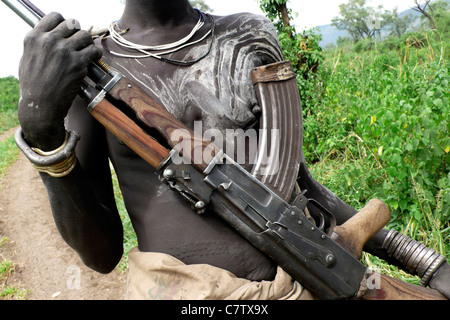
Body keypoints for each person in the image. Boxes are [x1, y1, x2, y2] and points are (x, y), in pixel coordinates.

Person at [17, 0, 449, 299]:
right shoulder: (84, 66)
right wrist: (42, 132)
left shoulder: (249, 36)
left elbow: (301, 186)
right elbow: (100, 256)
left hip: (299, 283)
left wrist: (428, 265)